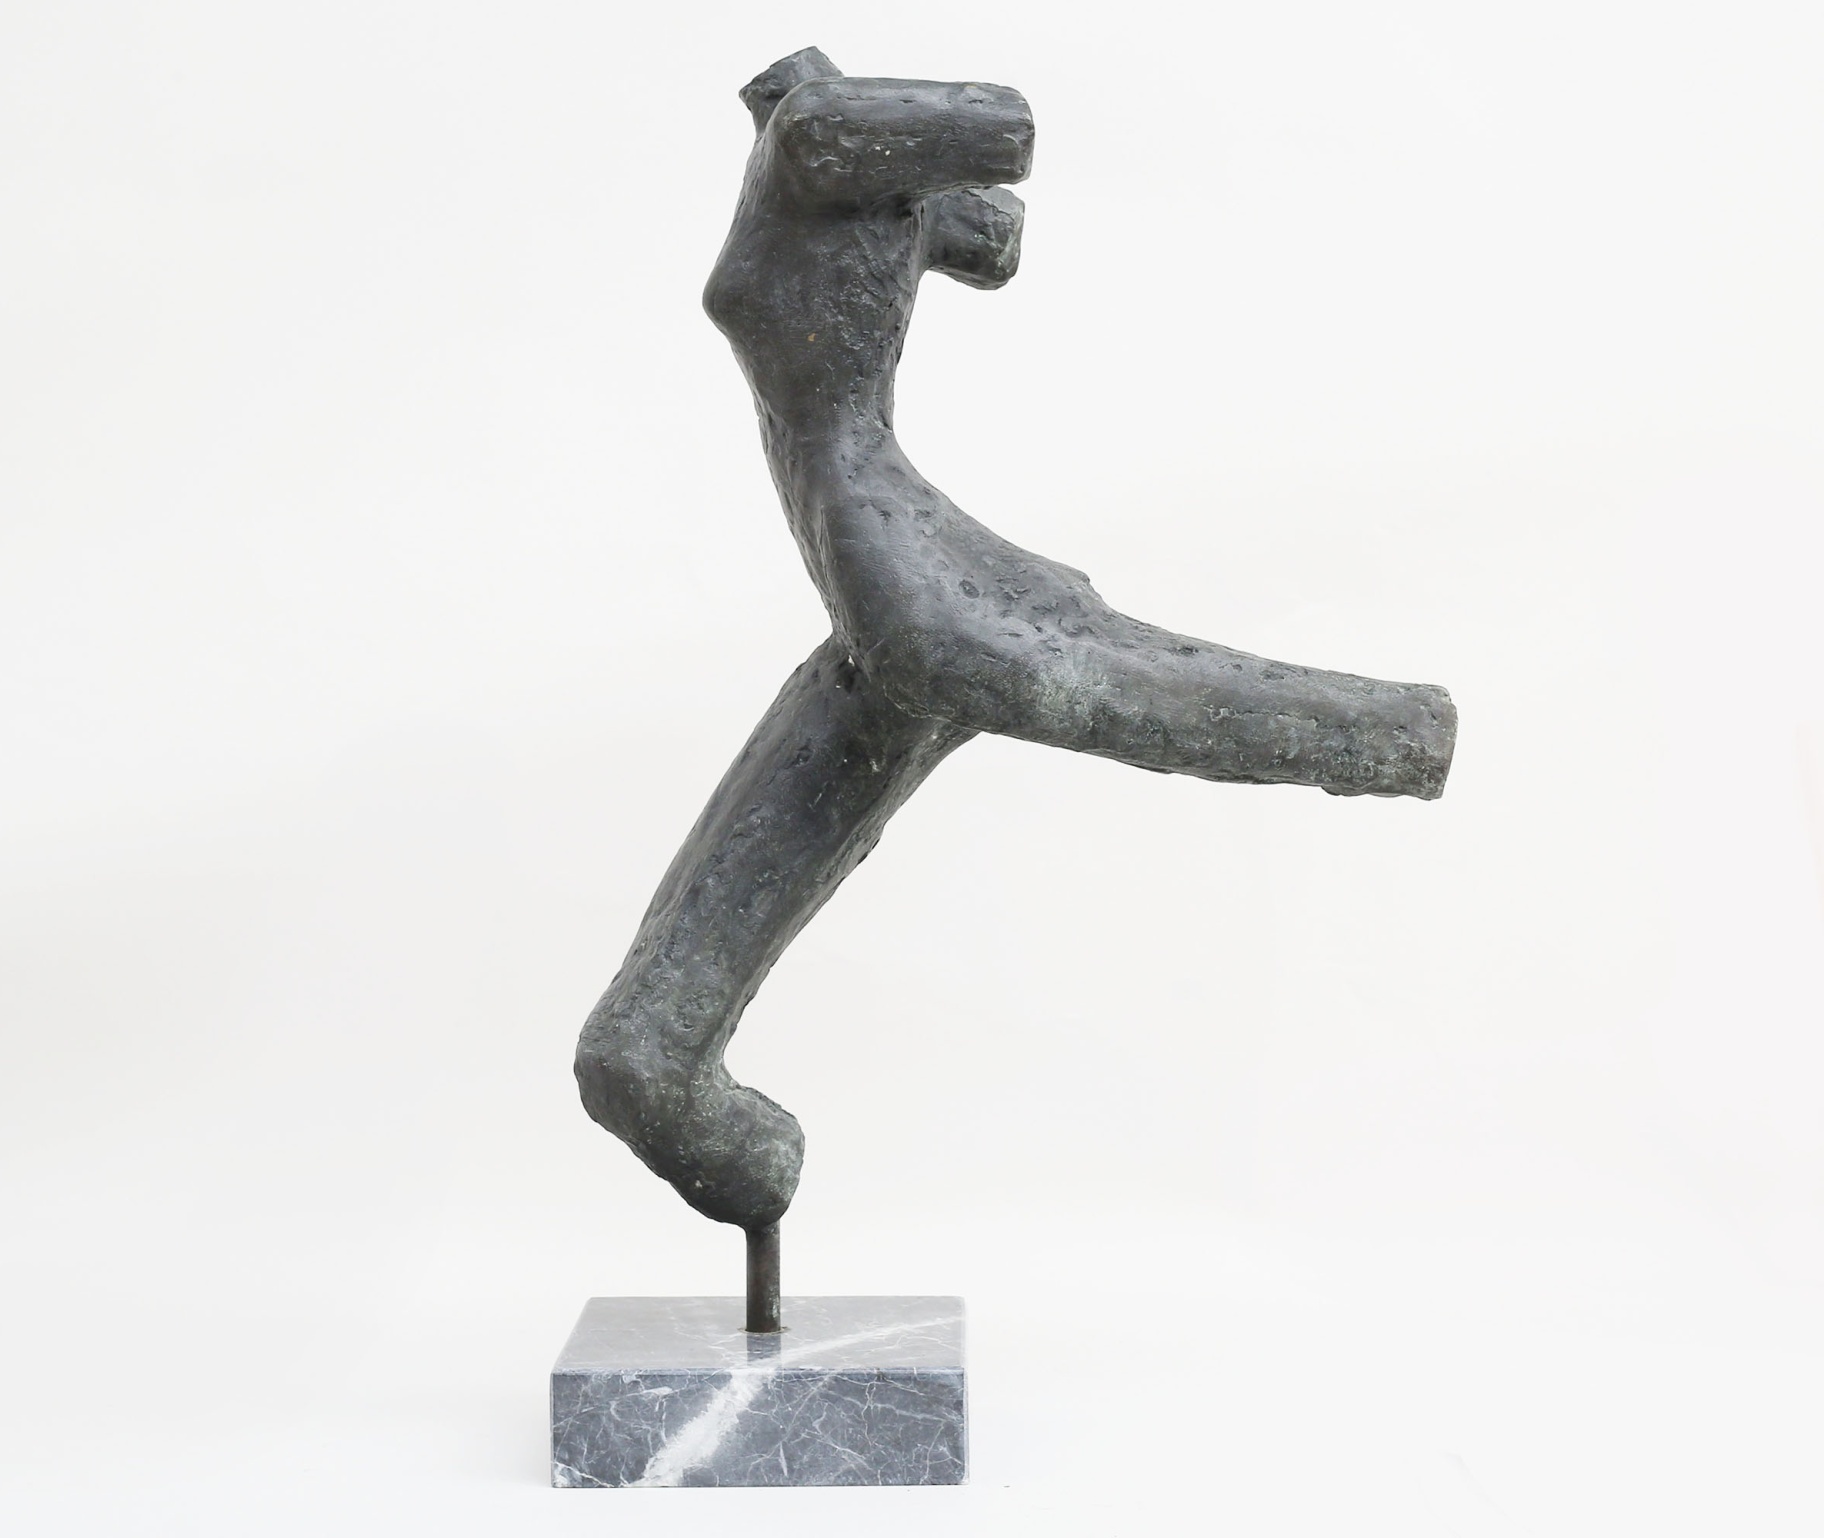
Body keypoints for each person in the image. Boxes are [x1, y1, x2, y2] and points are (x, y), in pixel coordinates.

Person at [575, 49, 1458, 1241]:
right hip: (870, 561)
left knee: (1127, 688)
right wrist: (902, 192)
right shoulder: (815, 145)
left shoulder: (819, 136)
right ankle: (675, 1086)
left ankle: (1394, 735)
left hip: (890, 565)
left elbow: (1000, 148)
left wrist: (881, 163)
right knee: (637, 1047)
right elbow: (989, 229)